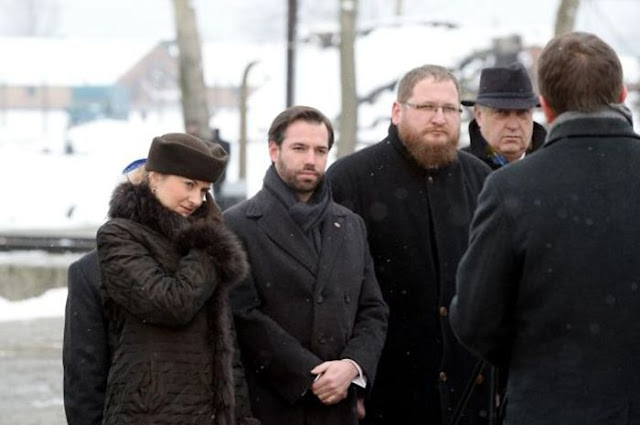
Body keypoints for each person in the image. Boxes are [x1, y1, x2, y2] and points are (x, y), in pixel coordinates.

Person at [450, 32, 640, 424]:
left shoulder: (511, 189)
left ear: (546, 109)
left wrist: (538, 358)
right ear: (622, 95)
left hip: (549, 405)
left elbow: (474, 319)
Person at [327, 65, 491, 425]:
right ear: (397, 111)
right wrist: (353, 383)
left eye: (449, 109)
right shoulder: (350, 178)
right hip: (384, 387)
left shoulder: (481, 179)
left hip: (467, 392)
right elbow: (331, 294)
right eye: (427, 107)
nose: (439, 118)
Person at [224, 105, 389, 425]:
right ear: (274, 150)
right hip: (272, 405)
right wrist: (309, 375)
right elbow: (242, 316)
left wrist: (353, 366)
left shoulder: (351, 224)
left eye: (320, 150)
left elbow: (373, 309)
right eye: (299, 148)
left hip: (338, 407)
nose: (311, 159)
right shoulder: (237, 224)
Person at [94, 133, 258, 425]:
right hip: (148, 412)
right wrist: (210, 241)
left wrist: (241, 416)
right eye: (189, 185)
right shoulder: (119, 235)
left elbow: (224, 344)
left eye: (205, 191)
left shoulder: (196, 241)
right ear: (155, 177)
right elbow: (171, 304)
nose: (196, 200)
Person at [461, 62, 547, 169]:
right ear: (479, 115)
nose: (513, 126)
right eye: (501, 113)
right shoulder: (459, 170)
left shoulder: (555, 167)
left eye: (522, 113)